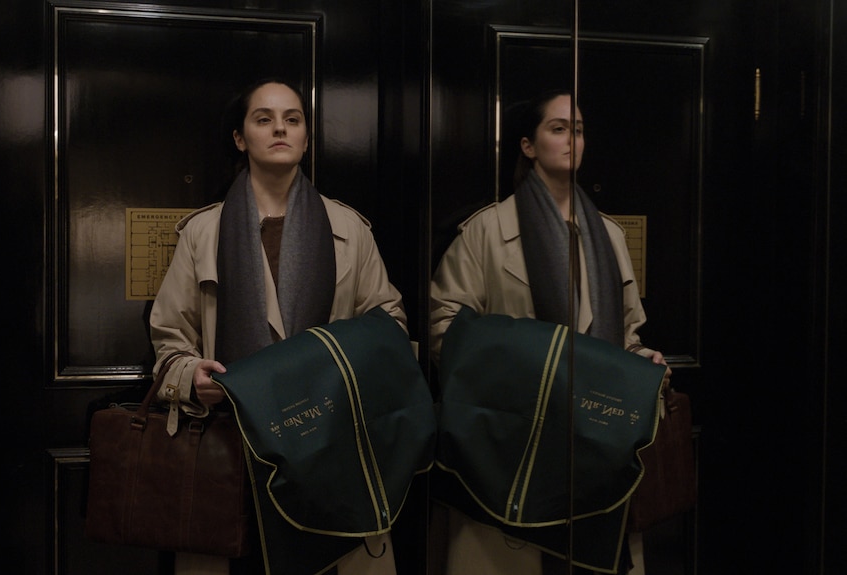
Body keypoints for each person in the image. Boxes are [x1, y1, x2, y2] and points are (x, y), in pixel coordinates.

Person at [149, 78, 406, 575]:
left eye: (292, 119)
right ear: (241, 138)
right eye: (263, 119)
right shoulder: (204, 231)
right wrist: (190, 378)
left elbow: (389, 326)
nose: (280, 129)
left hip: (333, 444)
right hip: (230, 446)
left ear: (306, 137)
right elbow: (169, 339)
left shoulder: (348, 229)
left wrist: (335, 367)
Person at [428, 89, 671, 575]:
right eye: (558, 129)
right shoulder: (487, 231)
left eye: (577, 130)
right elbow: (443, 332)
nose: (571, 140)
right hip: (514, 443)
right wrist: (536, 365)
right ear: (528, 146)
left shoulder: (610, 235)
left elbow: (627, 335)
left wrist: (642, 362)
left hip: (598, 443)